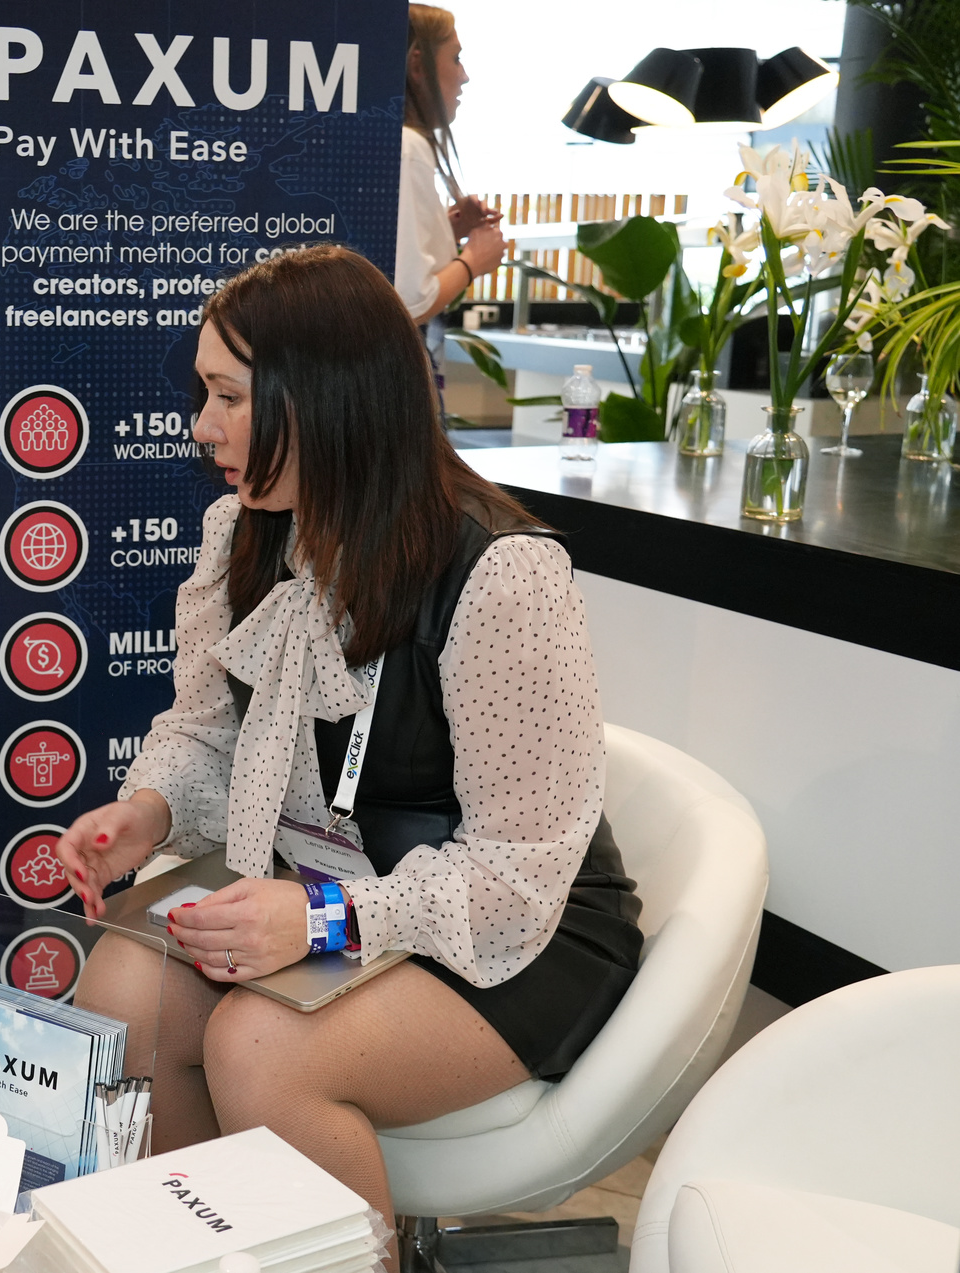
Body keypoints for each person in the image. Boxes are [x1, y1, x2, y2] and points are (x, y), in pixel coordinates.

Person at [55, 246, 641, 1257]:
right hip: (331, 890)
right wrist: (146, 812)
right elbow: (208, 731)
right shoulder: (244, 535)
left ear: (323, 399)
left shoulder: (501, 574)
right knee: (122, 993)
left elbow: (516, 872)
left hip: (512, 931)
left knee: (261, 1045)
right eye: (203, 394)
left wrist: (326, 916)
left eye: (228, 397)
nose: (201, 426)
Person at [393, 4, 505, 412]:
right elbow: (409, 301)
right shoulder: (409, 148)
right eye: (456, 58)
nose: (464, 75)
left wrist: (445, 229)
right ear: (417, 64)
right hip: (398, 379)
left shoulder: (392, 142)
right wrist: (474, 260)